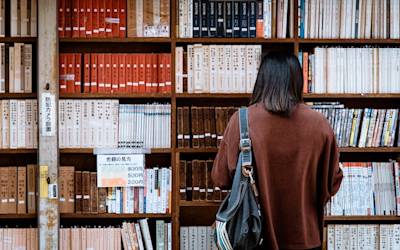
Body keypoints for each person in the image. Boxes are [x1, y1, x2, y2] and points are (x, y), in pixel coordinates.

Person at [211, 52, 343, 250]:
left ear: (262, 80)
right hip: (306, 239)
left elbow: (221, 178)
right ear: (298, 81)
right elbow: (333, 182)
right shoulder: (320, 124)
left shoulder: (242, 120)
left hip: (253, 237)